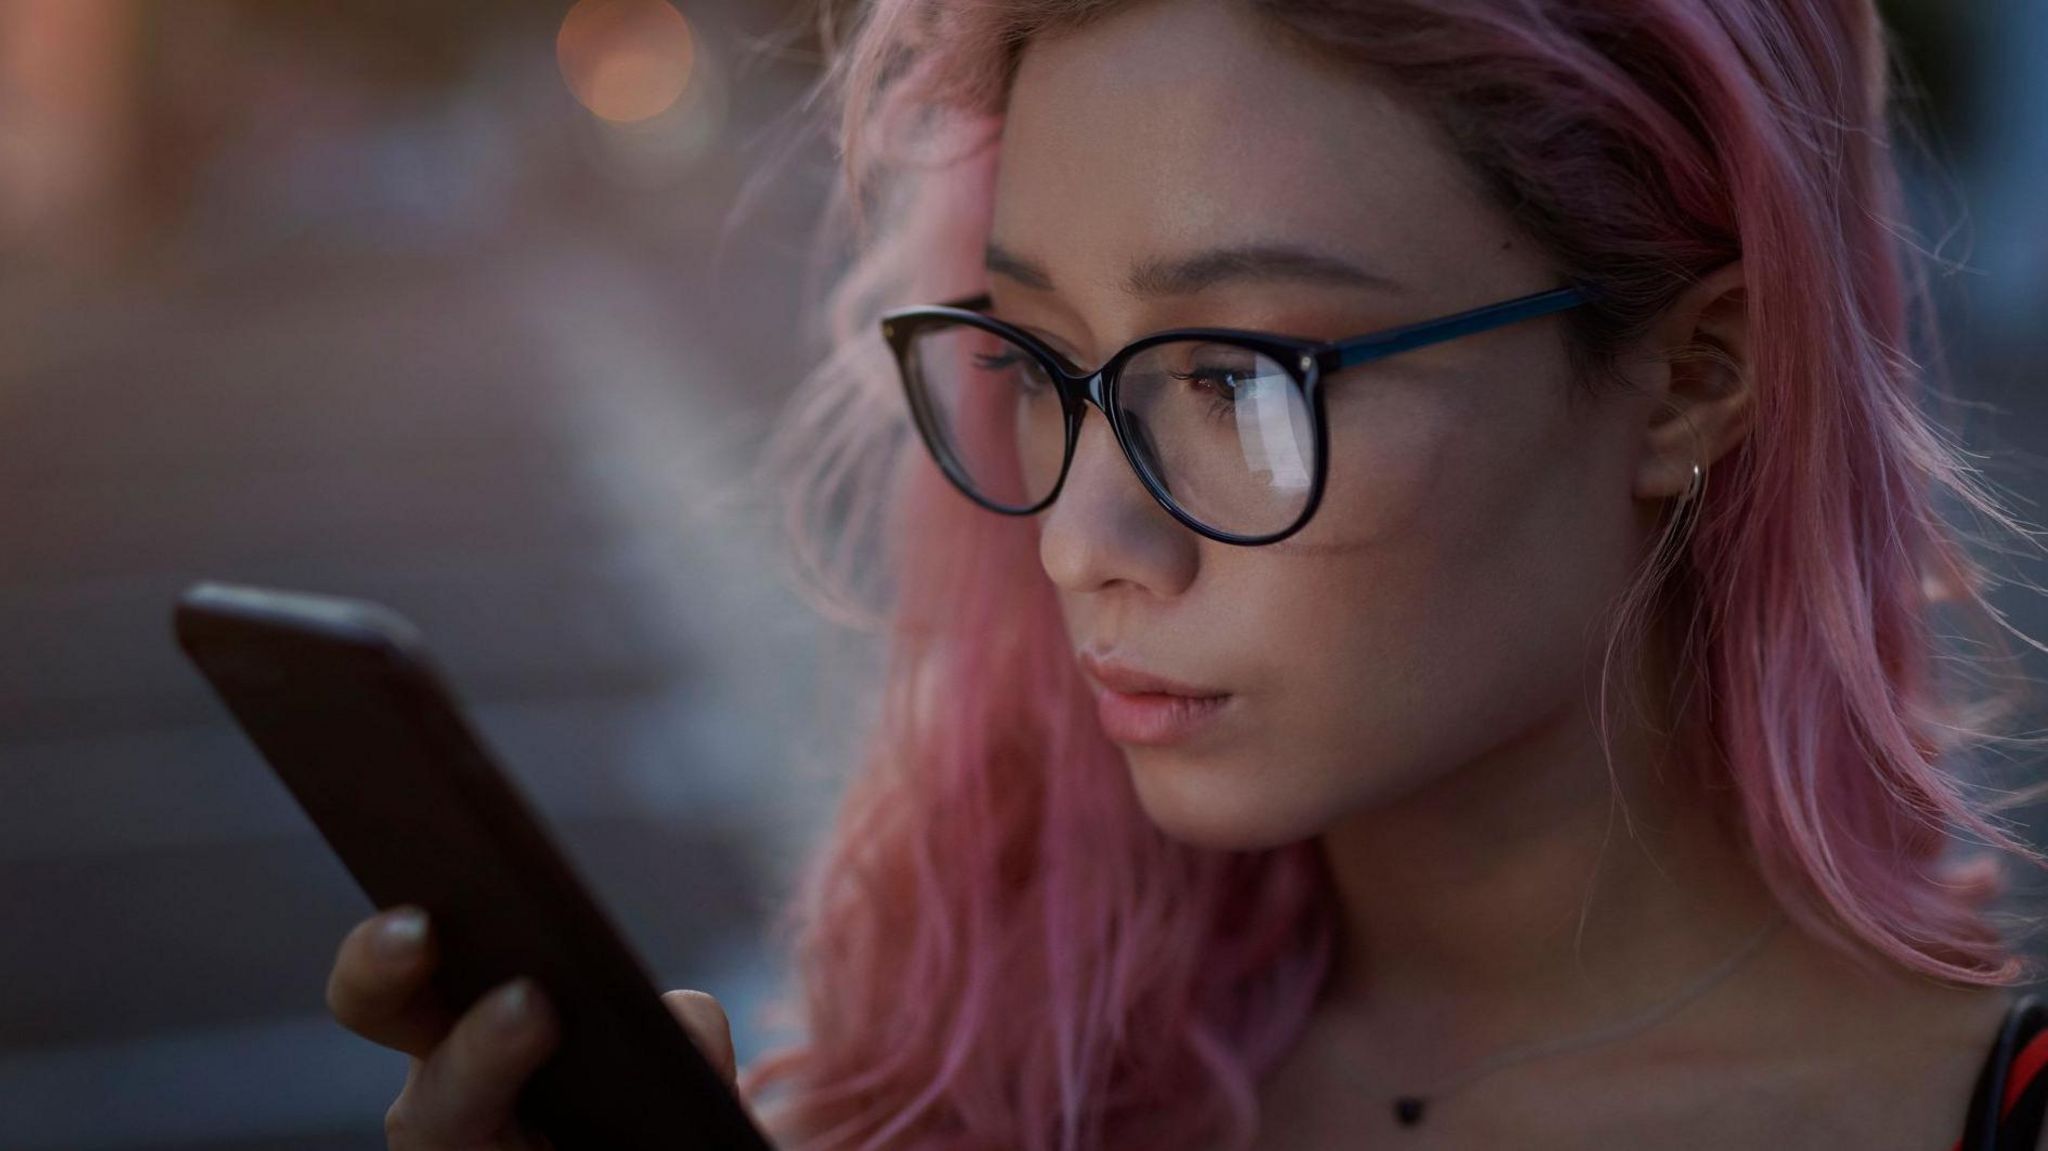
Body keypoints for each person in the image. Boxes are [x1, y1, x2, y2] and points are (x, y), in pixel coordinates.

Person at [324, 0, 2048, 1147]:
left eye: (1234, 381)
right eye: (1035, 357)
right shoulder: (985, 1083)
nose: (1079, 543)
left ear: (1694, 374)